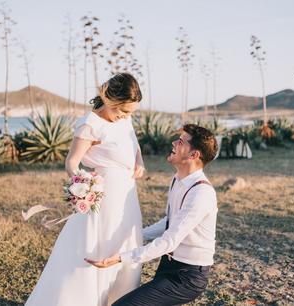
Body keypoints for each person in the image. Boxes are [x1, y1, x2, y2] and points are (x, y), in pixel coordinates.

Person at [26, 73, 145, 306]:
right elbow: (71, 162)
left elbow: (134, 143)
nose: (127, 116)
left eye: (131, 112)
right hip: (102, 199)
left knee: (124, 247)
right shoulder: (90, 125)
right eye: (123, 110)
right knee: (97, 250)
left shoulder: (124, 120)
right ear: (110, 99)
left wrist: (139, 161)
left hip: (127, 198)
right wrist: (84, 187)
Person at [86, 124, 219, 306]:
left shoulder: (201, 193)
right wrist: (137, 236)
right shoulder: (178, 179)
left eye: (180, 142)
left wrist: (120, 258)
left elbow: (169, 241)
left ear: (193, 155)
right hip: (169, 265)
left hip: (188, 277)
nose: (173, 143)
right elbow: (170, 222)